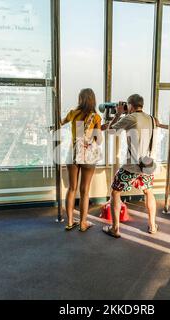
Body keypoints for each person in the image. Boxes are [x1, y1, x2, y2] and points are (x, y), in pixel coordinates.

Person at [102, 94, 157, 238]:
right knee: (149, 192)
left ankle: (115, 229)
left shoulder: (130, 118)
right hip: (147, 165)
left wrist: (119, 113)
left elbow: (110, 131)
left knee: (115, 192)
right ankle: (152, 226)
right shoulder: (151, 118)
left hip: (131, 166)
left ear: (131, 105)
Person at [61, 88, 102, 232]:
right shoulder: (96, 117)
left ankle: (70, 222)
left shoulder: (73, 113)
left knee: (72, 189)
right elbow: (98, 139)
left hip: (73, 153)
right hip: (88, 155)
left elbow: (60, 123)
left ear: (80, 99)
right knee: (85, 191)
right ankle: (83, 223)